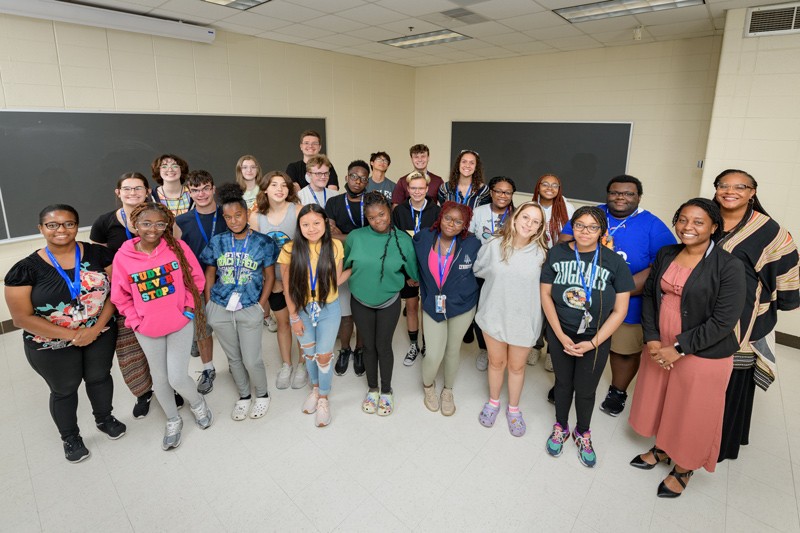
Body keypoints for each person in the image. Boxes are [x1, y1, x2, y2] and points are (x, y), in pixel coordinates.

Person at [629, 198, 745, 498]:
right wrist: (653, 338)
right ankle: (664, 447)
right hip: (661, 340)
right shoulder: (668, 253)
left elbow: (724, 320)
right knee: (664, 397)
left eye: (697, 222)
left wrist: (678, 349)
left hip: (703, 348)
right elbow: (652, 297)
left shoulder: (729, 265)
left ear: (714, 227)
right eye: (682, 219)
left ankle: (684, 466)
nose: (687, 227)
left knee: (692, 409)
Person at [6, 205, 125, 463]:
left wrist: (94, 329)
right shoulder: (24, 270)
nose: (61, 230)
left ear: (76, 226)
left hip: (100, 331)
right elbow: (21, 318)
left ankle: (105, 419)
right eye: (53, 225)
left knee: (99, 377)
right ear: (41, 229)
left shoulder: (99, 254)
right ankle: (70, 437)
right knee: (65, 389)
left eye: (69, 224)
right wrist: (72, 335)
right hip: (50, 343)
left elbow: (116, 293)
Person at [558, 175, 674, 416]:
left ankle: (617, 391)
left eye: (628, 193)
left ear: (638, 197)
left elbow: (662, 265)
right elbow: (564, 241)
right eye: (615, 193)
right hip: (583, 296)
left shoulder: (651, 224)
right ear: (607, 194)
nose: (621, 197)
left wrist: (617, 290)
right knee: (578, 343)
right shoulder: (590, 213)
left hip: (629, 299)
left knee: (622, 350)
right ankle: (567, 386)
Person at [711, 169, 800, 462]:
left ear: (752, 192)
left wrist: (778, 304)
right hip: (700, 314)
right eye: (724, 185)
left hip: (742, 321)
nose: (730, 191)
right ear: (715, 189)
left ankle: (720, 445)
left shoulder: (769, 229)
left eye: (740, 186)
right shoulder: (705, 218)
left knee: (730, 385)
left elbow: (787, 269)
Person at [111, 202, 213, 451]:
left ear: (167, 225)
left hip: (179, 322)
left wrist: (187, 308)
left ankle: (198, 403)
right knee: (160, 379)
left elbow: (196, 280)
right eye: (146, 223)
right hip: (147, 329)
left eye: (160, 223)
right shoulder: (123, 257)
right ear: (135, 226)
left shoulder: (177, 248)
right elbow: (120, 295)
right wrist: (135, 320)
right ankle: (173, 419)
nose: (153, 229)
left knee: (178, 376)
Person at [542, 206, 634, 466]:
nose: (585, 231)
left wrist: (593, 342)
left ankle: (583, 432)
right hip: (561, 333)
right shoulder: (557, 253)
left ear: (601, 231)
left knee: (585, 389)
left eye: (592, 227)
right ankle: (561, 427)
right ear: (573, 227)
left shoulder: (614, 261)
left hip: (596, 337)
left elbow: (620, 310)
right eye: (579, 225)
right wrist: (559, 335)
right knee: (562, 384)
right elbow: (546, 296)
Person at [200, 184, 277, 421]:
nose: (234, 221)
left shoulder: (263, 242)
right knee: (233, 357)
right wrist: (210, 304)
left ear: (247, 214)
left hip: (250, 306)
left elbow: (270, 275)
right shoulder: (218, 241)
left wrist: (261, 305)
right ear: (223, 218)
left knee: (252, 358)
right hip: (220, 306)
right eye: (228, 217)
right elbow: (210, 273)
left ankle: (262, 394)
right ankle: (244, 395)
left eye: (238, 215)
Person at [90, 173, 163, 417]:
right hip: (125, 297)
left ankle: (168, 386)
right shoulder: (104, 222)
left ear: (147, 191)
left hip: (158, 291)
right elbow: (98, 261)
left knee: (162, 345)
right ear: (118, 192)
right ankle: (144, 393)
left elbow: (173, 247)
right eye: (127, 189)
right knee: (130, 350)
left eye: (138, 188)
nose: (133, 193)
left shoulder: (158, 216)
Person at [475, 202, 547, 436]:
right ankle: (493, 402)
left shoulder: (542, 255)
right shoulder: (494, 245)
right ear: (515, 218)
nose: (529, 224)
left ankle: (513, 409)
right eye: (525, 217)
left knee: (516, 367)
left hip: (523, 320)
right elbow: (479, 271)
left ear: (540, 228)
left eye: (535, 221)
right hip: (494, 314)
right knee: (496, 363)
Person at [345, 192, 419, 416]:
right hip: (360, 300)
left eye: (382, 214)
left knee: (383, 346)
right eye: (372, 218)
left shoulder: (403, 240)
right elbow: (348, 264)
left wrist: (411, 278)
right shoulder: (355, 237)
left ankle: (386, 391)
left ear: (389, 211)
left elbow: (413, 272)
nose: (378, 220)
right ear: (365, 219)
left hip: (389, 301)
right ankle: (372, 389)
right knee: (368, 346)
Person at [278, 204, 346, 427]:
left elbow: (335, 280)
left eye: (317, 223)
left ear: (325, 224)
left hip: (328, 308)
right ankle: (315, 389)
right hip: (302, 309)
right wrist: (294, 317)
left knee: (324, 355)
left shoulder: (335, 246)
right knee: (309, 354)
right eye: (305, 224)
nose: (311, 228)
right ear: (299, 226)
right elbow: (287, 288)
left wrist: (359, 269)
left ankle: (324, 397)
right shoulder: (289, 249)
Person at [413, 202, 480, 415]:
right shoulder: (423, 237)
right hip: (433, 304)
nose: (452, 224)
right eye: (448, 218)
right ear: (440, 217)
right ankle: (428, 386)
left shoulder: (472, 244)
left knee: (452, 349)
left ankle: (448, 390)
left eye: (458, 221)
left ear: (465, 225)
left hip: (462, 305)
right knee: (433, 353)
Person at [250, 170, 306, 390]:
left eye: (284, 185)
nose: (280, 189)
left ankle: (302, 364)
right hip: (274, 281)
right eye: (274, 185)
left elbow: (307, 247)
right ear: (265, 189)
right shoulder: (256, 217)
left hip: (298, 279)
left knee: (301, 323)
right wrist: (271, 281)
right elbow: (256, 252)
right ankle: (287, 364)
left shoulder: (298, 211)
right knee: (282, 323)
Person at [174, 170, 228, 395]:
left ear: (213, 189)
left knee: (230, 326)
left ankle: (237, 362)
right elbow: (176, 254)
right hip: (196, 283)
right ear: (188, 192)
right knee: (202, 328)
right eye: (195, 190)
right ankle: (208, 368)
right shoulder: (180, 222)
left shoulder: (229, 214)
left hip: (228, 280)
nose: (201, 194)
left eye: (205, 188)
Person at [392, 171, 441, 366]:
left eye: (421, 188)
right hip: (407, 268)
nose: (417, 191)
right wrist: (408, 273)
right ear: (408, 189)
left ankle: (428, 344)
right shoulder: (399, 211)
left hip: (430, 268)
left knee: (426, 308)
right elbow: (396, 242)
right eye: (413, 188)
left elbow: (440, 241)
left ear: (427, 189)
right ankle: (414, 344)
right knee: (411, 307)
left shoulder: (437, 211)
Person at [468, 176, 516, 371]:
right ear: (491, 192)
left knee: (501, 310)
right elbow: (470, 237)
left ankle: (500, 349)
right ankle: (483, 349)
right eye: (498, 191)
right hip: (481, 270)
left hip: (505, 273)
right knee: (482, 310)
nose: (502, 195)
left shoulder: (517, 214)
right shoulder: (478, 212)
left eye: (507, 192)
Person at [326, 160, 370, 376]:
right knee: (346, 314)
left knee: (361, 312)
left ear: (367, 182)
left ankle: (360, 350)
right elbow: (329, 236)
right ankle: (345, 350)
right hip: (341, 262)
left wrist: (343, 236)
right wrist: (358, 236)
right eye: (354, 176)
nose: (357, 181)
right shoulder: (333, 203)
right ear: (346, 177)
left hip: (366, 265)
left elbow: (373, 236)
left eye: (362, 178)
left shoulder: (373, 202)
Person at [531, 173, 575, 368]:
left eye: (554, 185)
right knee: (536, 304)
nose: (549, 188)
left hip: (558, 262)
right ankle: (535, 345)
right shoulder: (531, 206)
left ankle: (551, 349)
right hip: (534, 261)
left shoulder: (567, 207)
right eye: (545, 184)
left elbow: (572, 237)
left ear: (559, 188)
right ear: (538, 186)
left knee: (555, 305)